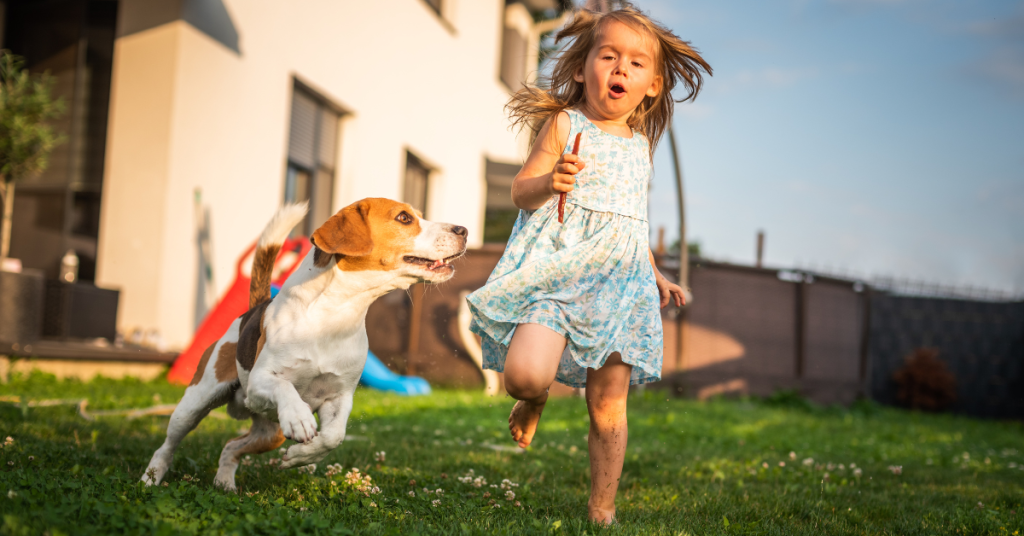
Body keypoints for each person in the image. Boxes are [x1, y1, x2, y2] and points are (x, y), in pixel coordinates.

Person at [466, 2, 711, 524]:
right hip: (558, 272)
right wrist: (549, 182)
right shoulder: (564, 124)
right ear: (583, 68)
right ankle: (533, 402)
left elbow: (630, 224)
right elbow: (519, 190)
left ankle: (602, 508)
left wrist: (655, 272)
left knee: (608, 406)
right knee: (526, 375)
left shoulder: (642, 146)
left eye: (636, 62)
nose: (620, 68)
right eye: (608, 56)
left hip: (620, 286)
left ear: (653, 85)